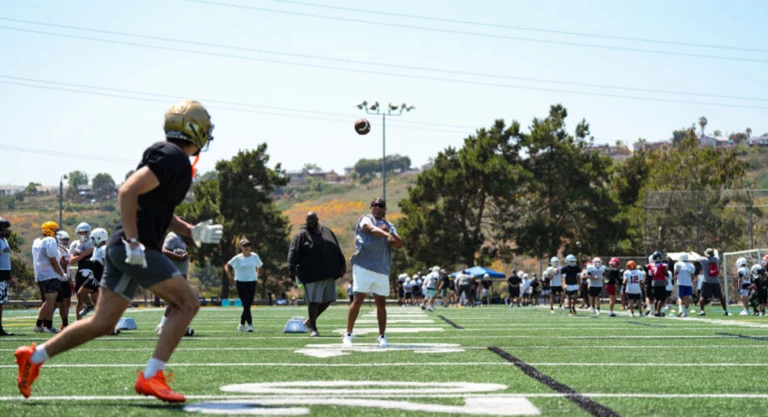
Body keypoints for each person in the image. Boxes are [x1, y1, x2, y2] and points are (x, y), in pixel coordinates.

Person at [14, 99, 223, 402]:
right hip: (133, 247)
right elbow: (127, 191)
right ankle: (152, 377)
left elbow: (155, 208)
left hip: (122, 247)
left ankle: (32, 358)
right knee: (187, 303)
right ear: (196, 130)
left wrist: (190, 232)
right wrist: (135, 241)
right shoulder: (173, 156)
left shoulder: (171, 158)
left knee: (102, 323)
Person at [344, 198, 402, 347]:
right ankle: (348, 334)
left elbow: (399, 244)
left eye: (380, 206)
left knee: (381, 302)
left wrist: (390, 234)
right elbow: (370, 229)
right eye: (375, 205)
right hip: (363, 265)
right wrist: (385, 234)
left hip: (381, 268)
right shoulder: (365, 219)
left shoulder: (390, 226)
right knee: (358, 299)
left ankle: (382, 336)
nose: (377, 208)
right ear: (370, 208)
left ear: (384, 209)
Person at [288, 212, 346, 337]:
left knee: (329, 299)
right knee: (313, 302)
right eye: (308, 219)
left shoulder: (327, 231)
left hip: (329, 272)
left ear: (317, 219)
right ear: (306, 220)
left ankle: (309, 321)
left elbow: (337, 248)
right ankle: (313, 328)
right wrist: (292, 270)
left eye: (313, 218)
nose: (311, 221)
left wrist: (342, 264)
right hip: (311, 274)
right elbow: (293, 253)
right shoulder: (301, 235)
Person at [156, 224, 194, 336]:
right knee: (177, 300)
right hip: (175, 273)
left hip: (181, 273)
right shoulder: (172, 236)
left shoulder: (179, 237)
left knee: (179, 301)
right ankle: (163, 325)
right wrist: (179, 257)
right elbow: (163, 250)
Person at [31, 221, 66, 333]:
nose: (57, 233)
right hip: (49, 275)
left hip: (41, 274)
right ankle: (48, 326)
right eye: (55, 231)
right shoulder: (50, 240)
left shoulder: (37, 241)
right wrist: (61, 273)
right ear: (49, 230)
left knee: (47, 301)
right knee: (51, 301)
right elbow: (53, 261)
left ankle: (39, 325)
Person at [225, 238, 263, 332]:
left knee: (248, 305)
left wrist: (258, 274)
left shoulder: (254, 256)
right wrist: (229, 275)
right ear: (241, 247)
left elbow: (260, 265)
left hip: (252, 282)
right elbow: (227, 266)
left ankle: (242, 324)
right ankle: (250, 325)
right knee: (246, 304)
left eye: (248, 245)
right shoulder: (237, 258)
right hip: (241, 282)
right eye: (244, 245)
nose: (246, 247)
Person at [69, 222, 94, 321]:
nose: (83, 234)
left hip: (93, 273)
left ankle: (99, 322)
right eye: (81, 232)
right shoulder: (75, 244)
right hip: (80, 274)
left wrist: (79, 255)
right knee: (80, 300)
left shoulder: (93, 242)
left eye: (85, 232)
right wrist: (84, 254)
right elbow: (71, 261)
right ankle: (79, 322)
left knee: (96, 297)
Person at [697, 248, 729, 316]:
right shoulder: (716, 260)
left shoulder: (703, 260)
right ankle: (725, 310)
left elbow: (697, 257)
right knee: (720, 296)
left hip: (706, 281)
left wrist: (692, 252)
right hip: (716, 281)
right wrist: (716, 250)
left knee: (702, 295)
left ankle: (702, 311)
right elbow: (717, 253)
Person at [54, 231, 72, 330]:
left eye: (66, 239)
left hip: (65, 279)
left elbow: (68, 267)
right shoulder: (56, 251)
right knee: (58, 303)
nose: (65, 241)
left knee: (67, 301)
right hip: (59, 279)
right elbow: (61, 265)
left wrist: (70, 280)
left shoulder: (67, 251)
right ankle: (45, 321)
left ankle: (65, 322)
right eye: (63, 239)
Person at [0, 217, 15, 336]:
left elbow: (6, 260)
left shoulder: (4, 240)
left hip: (4, 274)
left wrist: (10, 275)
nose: (6, 231)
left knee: (1, 302)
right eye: (4, 229)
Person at [647, 252, 668, 317]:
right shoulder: (664, 265)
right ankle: (657, 311)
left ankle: (655, 310)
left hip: (654, 282)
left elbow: (648, 271)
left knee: (656, 297)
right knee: (662, 298)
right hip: (661, 281)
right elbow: (666, 273)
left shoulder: (650, 265)